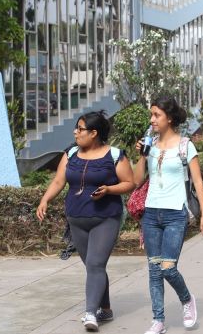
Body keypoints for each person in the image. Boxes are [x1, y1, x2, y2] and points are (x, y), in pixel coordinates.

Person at [36, 111, 135, 331]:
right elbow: (59, 181)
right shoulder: (71, 153)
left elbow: (130, 183)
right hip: (76, 218)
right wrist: (45, 200)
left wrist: (109, 189)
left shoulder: (114, 155)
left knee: (95, 264)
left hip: (105, 218)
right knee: (92, 266)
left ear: (93, 133)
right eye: (76, 128)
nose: (75, 132)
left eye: (80, 129)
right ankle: (106, 308)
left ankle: (90, 313)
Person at [133, 96, 203, 334]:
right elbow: (137, 181)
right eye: (151, 115)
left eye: (156, 115)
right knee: (154, 269)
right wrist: (143, 155)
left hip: (175, 213)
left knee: (168, 268)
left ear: (169, 117)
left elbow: (198, 181)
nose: (152, 119)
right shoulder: (150, 145)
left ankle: (187, 300)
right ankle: (158, 320)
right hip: (151, 214)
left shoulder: (185, 145)